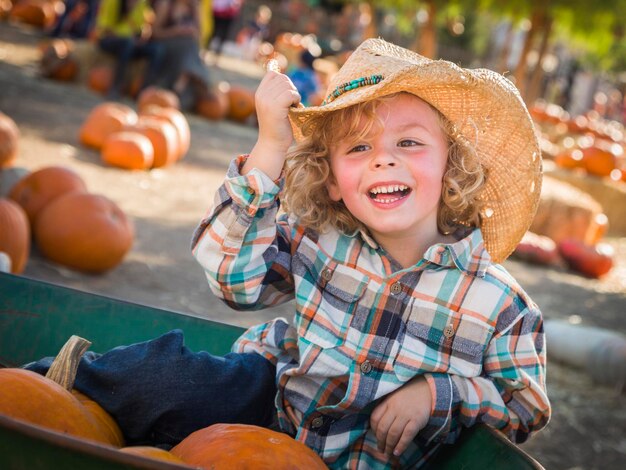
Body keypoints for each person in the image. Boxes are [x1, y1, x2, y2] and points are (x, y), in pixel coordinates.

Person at [25, 38, 551, 468]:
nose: (383, 161)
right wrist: (271, 149)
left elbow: (524, 405)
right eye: (358, 148)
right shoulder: (318, 240)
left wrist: (442, 393)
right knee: (170, 372)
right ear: (332, 182)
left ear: (452, 166)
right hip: (272, 407)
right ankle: (36, 389)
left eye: (409, 143)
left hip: (379, 461)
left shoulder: (501, 306)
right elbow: (234, 281)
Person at [94, 0, 164, 99]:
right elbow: (106, 28)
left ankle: (144, 92)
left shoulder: (141, 3)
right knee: (127, 44)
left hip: (131, 43)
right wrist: (127, 37)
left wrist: (141, 37)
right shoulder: (112, 2)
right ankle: (116, 87)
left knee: (157, 49)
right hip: (109, 40)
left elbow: (140, 28)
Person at [151, 0, 211, 110]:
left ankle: (182, 81)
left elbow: (200, 36)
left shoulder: (193, 9)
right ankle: (189, 82)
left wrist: (192, 28)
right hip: (167, 43)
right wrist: (176, 31)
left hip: (186, 47)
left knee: (190, 44)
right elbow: (155, 32)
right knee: (189, 47)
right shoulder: (166, 5)